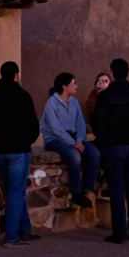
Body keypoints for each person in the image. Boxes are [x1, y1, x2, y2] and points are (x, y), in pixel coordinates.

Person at [0, 61, 41, 247]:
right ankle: (12, 236)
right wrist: (26, 141)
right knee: (16, 191)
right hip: (18, 149)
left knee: (12, 191)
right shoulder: (22, 96)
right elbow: (33, 125)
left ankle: (25, 229)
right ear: (16, 75)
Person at [91, 58, 129, 244]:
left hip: (114, 146)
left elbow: (97, 121)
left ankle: (120, 233)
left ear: (112, 73)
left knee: (117, 190)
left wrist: (105, 140)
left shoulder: (107, 95)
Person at [41, 72, 100, 208]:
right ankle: (76, 192)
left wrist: (79, 140)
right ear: (65, 87)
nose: (76, 86)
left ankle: (88, 189)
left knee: (94, 153)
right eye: (74, 83)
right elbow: (56, 129)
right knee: (74, 156)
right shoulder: (51, 103)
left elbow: (80, 124)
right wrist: (74, 144)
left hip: (74, 138)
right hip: (54, 139)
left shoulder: (74, 102)